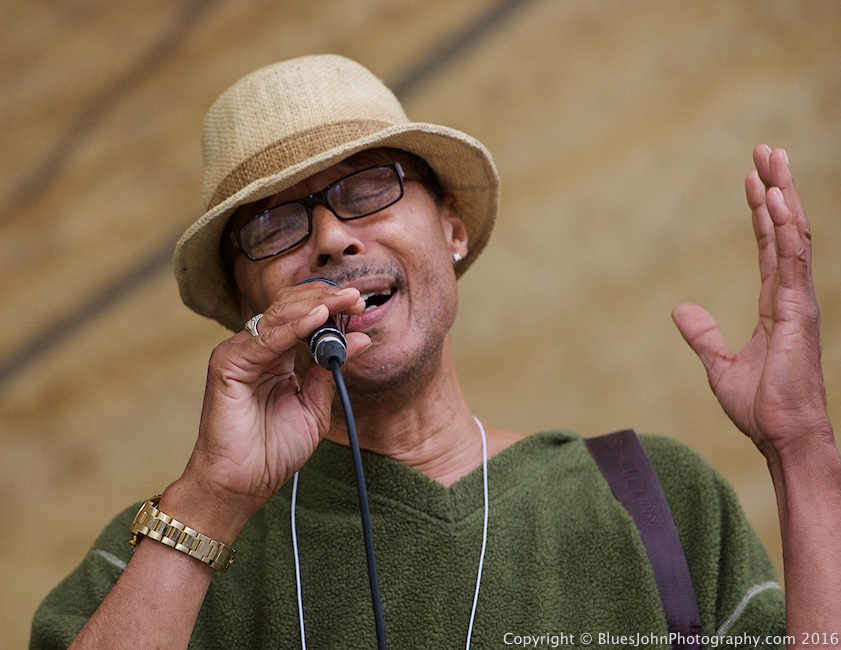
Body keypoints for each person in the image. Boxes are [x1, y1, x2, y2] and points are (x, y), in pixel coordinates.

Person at [31, 54, 840, 649]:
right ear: (248, 302)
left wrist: (800, 449)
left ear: (450, 227)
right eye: (272, 226)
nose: (331, 237)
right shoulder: (166, 544)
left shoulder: (649, 496)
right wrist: (210, 499)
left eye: (367, 187)